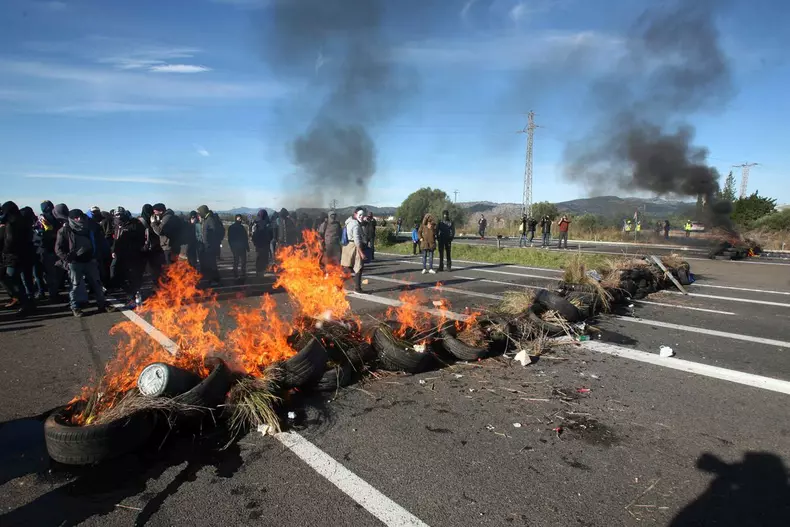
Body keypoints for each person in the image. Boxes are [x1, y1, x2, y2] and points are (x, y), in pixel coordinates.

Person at [55, 208, 109, 317]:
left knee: (97, 284)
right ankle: (75, 307)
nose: (79, 219)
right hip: (75, 263)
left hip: (90, 260)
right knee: (75, 286)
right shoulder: (65, 230)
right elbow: (58, 249)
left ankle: (102, 304)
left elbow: (99, 241)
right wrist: (67, 259)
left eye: (80, 216)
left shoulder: (90, 226)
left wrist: (97, 256)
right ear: (71, 219)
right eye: (76, 218)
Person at [0, 201, 36, 316]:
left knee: (12, 279)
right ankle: (30, 302)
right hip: (27, 254)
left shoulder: (10, 224)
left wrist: (5, 251)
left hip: (14, 256)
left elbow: (9, 242)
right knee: (27, 279)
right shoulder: (25, 221)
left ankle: (25, 303)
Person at [112, 207, 145, 308]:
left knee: (133, 277)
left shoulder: (135, 224)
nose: (118, 217)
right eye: (117, 215)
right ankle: (133, 293)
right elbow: (116, 240)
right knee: (117, 276)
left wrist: (133, 249)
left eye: (120, 215)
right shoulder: (117, 225)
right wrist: (113, 250)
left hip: (133, 255)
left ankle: (133, 297)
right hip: (120, 255)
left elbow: (141, 240)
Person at [197, 205, 224, 287]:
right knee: (209, 264)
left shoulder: (210, 220)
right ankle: (212, 279)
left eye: (199, 212)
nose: (199, 214)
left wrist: (209, 244)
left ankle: (216, 280)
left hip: (210, 247)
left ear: (203, 212)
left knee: (212, 264)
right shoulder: (206, 219)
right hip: (207, 246)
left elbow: (214, 233)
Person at [341, 207, 367, 293]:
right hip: (354, 247)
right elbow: (357, 240)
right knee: (358, 267)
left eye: (363, 215)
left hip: (347, 246)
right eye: (360, 215)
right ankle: (357, 288)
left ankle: (336, 284)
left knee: (347, 268)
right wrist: (361, 253)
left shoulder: (349, 221)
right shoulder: (355, 224)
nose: (361, 217)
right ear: (355, 214)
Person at [139, 204, 164, 286]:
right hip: (156, 247)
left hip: (144, 248)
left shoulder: (140, 221)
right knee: (156, 268)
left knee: (144, 268)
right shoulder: (154, 220)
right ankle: (158, 285)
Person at [228, 214, 250, 283]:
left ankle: (241, 274)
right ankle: (236, 274)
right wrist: (232, 247)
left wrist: (247, 247)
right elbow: (230, 238)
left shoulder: (241, 227)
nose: (239, 220)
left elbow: (245, 238)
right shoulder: (233, 227)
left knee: (242, 261)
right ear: (235, 219)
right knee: (237, 261)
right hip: (236, 247)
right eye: (238, 219)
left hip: (241, 247)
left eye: (240, 219)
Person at [251, 209, 272, 276]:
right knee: (264, 257)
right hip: (264, 243)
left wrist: (255, 242)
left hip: (259, 244)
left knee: (259, 257)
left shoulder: (256, 222)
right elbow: (270, 234)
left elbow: (254, 234)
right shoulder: (267, 223)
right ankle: (262, 271)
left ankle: (259, 271)